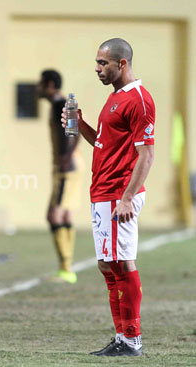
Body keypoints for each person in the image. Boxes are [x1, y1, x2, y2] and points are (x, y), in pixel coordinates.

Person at [62, 38, 155, 357]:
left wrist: (128, 197)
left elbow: (147, 154)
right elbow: (103, 143)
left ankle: (132, 339)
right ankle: (122, 336)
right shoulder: (115, 98)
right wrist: (78, 125)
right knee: (106, 264)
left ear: (122, 64)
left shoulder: (139, 100)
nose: (97, 68)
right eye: (97, 62)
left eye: (104, 63)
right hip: (102, 191)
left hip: (119, 193)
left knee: (122, 262)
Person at [37, 70, 81, 284]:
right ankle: (67, 268)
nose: (38, 87)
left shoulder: (60, 105)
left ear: (50, 84)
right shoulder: (62, 104)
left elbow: (74, 130)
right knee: (64, 216)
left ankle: (66, 268)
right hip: (70, 166)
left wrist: (67, 157)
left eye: (40, 83)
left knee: (54, 215)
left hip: (67, 168)